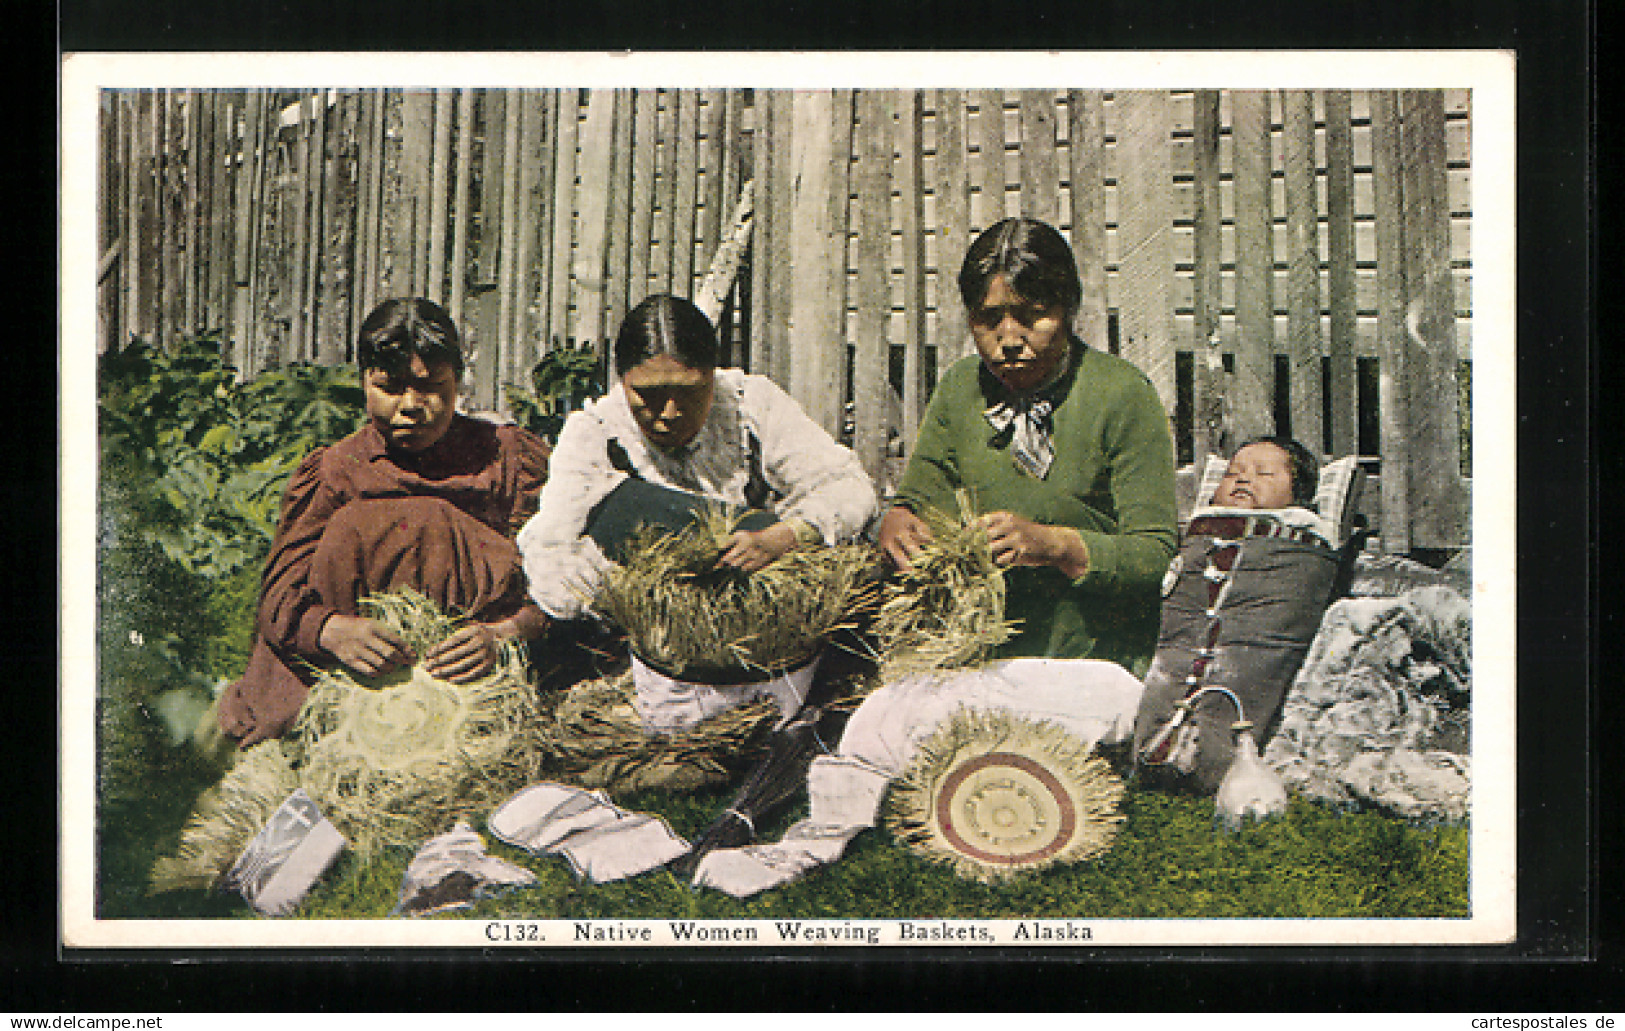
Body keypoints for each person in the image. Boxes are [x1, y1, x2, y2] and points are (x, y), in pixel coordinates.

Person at [216, 298, 550, 747]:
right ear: (364, 384)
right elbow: (278, 595)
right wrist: (330, 629)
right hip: (352, 668)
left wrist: (502, 635)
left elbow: (559, 585)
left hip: (469, 668)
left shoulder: (506, 459)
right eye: (390, 388)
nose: (412, 406)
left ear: (459, 382)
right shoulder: (337, 470)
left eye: (432, 387)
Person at [877, 216, 1179, 675]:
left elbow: (1155, 555)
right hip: (975, 650)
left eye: (1033, 314)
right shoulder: (961, 389)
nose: (1010, 339)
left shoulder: (1121, 394)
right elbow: (920, 498)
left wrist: (1055, 545)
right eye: (988, 319)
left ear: (1068, 308)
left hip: (1089, 657)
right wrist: (898, 522)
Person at [516, 293, 878, 623]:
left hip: (765, 596)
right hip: (655, 620)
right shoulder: (595, 432)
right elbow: (549, 546)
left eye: (690, 392)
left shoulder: (750, 403)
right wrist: (626, 591)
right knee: (618, 504)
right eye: (649, 394)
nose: (670, 412)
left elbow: (848, 487)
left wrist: (780, 538)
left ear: (713, 374)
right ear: (622, 380)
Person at [1132, 436, 1342, 794]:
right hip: (1196, 593)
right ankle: (1155, 746)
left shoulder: (1300, 536)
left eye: (1264, 474)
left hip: (1265, 583)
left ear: (1299, 495)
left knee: (1242, 665)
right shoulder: (1199, 529)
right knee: (1170, 666)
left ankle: (1211, 757)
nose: (1243, 480)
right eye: (1233, 474)